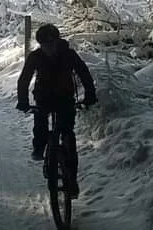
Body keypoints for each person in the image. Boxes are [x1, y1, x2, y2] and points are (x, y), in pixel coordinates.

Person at [16, 23, 96, 197]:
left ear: (57, 41)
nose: (49, 49)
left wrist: (90, 95)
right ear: (40, 45)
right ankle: (39, 147)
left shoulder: (69, 54)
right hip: (43, 98)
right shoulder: (35, 56)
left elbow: (84, 73)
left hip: (65, 98)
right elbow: (24, 79)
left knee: (67, 134)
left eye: (51, 44)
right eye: (45, 45)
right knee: (40, 125)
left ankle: (72, 179)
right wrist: (23, 100)